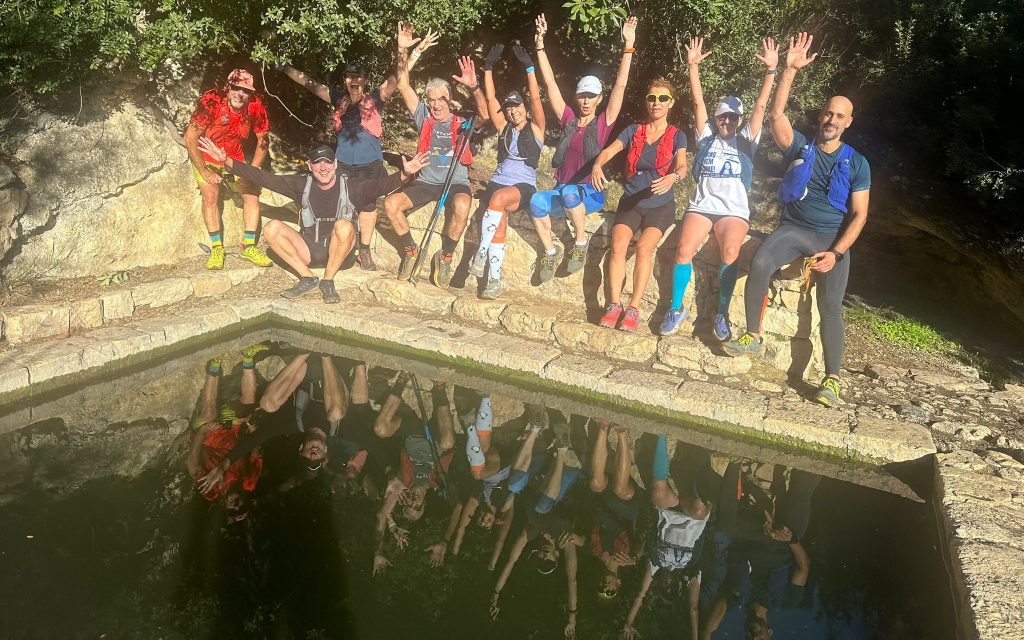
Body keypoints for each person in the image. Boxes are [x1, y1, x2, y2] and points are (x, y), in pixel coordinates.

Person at [723, 32, 871, 407]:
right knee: (761, 261)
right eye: (828, 113)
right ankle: (752, 335)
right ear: (821, 116)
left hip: (831, 239)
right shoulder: (800, 145)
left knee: (830, 306)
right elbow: (776, 115)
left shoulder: (858, 163)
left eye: (839, 116)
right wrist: (788, 69)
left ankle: (832, 380)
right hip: (794, 230)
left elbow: (859, 215)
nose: (831, 119)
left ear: (848, 122)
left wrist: (836, 253)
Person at [275, 22, 438, 270]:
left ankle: (365, 250)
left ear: (364, 80)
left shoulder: (376, 97)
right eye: (350, 77)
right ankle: (340, 246)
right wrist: (283, 67)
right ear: (345, 80)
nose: (354, 80)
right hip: (342, 165)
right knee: (342, 205)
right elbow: (308, 83)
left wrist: (409, 51)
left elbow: (399, 77)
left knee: (369, 206)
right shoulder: (337, 99)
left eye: (358, 77)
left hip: (370, 164)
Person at [198, 137, 427, 303]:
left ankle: (328, 280)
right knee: (272, 228)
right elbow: (264, 178)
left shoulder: (353, 186)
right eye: (317, 163)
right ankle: (308, 278)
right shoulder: (301, 185)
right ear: (310, 166)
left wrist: (405, 174)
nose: (323, 167)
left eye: (327, 162)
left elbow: (381, 185)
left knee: (344, 225)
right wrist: (228, 162)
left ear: (335, 164)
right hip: (309, 251)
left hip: (341, 255)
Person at [660, 37, 779, 340]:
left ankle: (721, 313)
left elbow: (761, 107)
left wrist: (770, 71)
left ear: (739, 120)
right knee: (683, 249)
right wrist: (693, 66)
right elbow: (697, 102)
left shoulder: (746, 142)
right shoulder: (706, 139)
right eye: (722, 116)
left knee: (730, 251)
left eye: (733, 117)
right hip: (702, 206)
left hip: (733, 211)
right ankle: (676, 308)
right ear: (715, 119)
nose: (727, 120)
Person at [528, 14, 637, 281]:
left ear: (599, 99)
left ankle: (579, 244)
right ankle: (550, 252)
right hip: (563, 190)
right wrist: (540, 46)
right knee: (536, 201)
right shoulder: (568, 119)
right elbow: (550, 85)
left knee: (569, 193)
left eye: (591, 96)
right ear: (576, 98)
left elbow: (621, 86)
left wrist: (628, 46)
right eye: (582, 96)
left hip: (590, 194)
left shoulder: (602, 124)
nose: (586, 101)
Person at [592, 79, 688, 332]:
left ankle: (633, 308)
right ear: (646, 102)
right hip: (632, 201)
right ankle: (614, 305)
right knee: (618, 246)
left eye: (663, 98)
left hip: (660, 205)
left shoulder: (677, 135)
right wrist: (597, 164)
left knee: (645, 248)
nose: (657, 103)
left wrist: (673, 177)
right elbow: (609, 150)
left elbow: (682, 166)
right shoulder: (634, 130)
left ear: (671, 103)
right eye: (652, 98)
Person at [386, 55, 489, 285]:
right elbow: (403, 86)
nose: (436, 105)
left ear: (449, 99)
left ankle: (445, 257)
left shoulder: (463, 121)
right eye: (431, 100)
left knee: (463, 205)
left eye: (441, 99)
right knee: (391, 204)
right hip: (426, 182)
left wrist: (474, 86)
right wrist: (403, 50)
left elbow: (485, 115)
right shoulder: (424, 117)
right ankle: (410, 251)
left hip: (455, 182)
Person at [469, 43, 547, 299]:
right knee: (498, 225)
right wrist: (488, 67)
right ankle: (493, 281)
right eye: (509, 107)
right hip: (498, 180)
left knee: (498, 199)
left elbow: (536, 98)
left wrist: (530, 68)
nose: (513, 111)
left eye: (517, 106)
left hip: (522, 185)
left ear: (524, 107)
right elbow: (491, 99)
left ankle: (480, 254)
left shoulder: (536, 128)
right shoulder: (505, 127)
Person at [183, 69, 273, 270]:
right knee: (210, 196)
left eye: (246, 91)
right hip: (206, 156)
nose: (241, 94)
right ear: (228, 87)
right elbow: (190, 137)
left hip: (233, 158)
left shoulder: (255, 105)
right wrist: (204, 171)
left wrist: (254, 169)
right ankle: (217, 248)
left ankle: (248, 246)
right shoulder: (212, 100)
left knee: (252, 195)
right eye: (237, 88)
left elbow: (263, 138)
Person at [622, 435, 708, 640]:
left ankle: (662, 434)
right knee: (699, 509)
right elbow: (693, 609)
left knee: (658, 492)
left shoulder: (656, 564)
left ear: (658, 582)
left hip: (669, 512)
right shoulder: (689, 572)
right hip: (693, 518)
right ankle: (693, 456)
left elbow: (641, 595)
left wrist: (628, 623)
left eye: (663, 587)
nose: (667, 584)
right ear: (679, 586)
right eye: (672, 588)